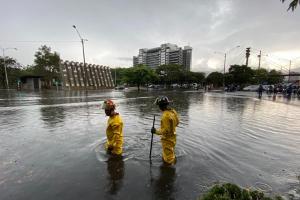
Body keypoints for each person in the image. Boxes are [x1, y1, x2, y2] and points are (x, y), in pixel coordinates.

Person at [151, 96, 179, 165]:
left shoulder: (165, 116)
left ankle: (169, 169)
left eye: (158, 106)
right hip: (173, 137)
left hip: (167, 139)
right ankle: (172, 162)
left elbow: (166, 131)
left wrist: (155, 131)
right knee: (170, 152)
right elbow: (177, 122)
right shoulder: (173, 112)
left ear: (160, 106)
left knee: (168, 158)